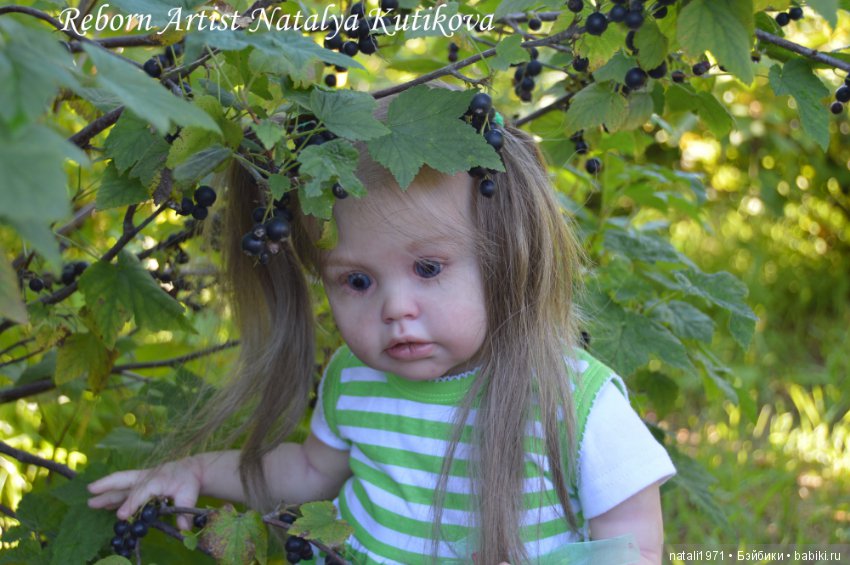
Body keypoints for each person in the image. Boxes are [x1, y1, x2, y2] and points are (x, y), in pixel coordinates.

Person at [88, 81, 676, 564]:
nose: (394, 309)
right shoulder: (354, 379)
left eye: (427, 267)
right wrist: (195, 469)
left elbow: (636, 545)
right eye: (358, 281)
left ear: (507, 254)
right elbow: (309, 472)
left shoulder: (574, 400)